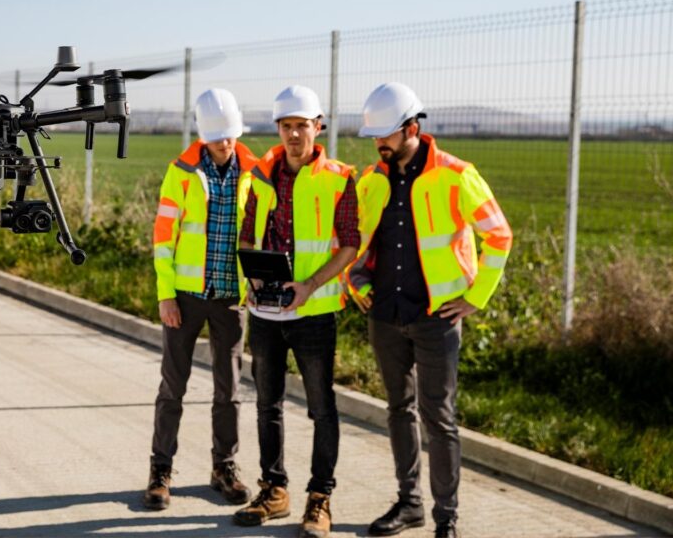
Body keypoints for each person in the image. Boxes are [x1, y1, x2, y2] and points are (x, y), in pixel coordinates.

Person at [347, 82, 512, 538]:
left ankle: (447, 519)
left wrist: (476, 297)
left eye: (385, 135)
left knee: (439, 419)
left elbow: (500, 236)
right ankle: (409, 504)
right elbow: (356, 240)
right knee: (398, 410)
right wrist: (354, 278)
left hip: (436, 318)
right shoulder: (372, 179)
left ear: (412, 128)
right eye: (374, 136)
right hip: (384, 314)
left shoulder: (456, 175)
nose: (379, 143)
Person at [232, 85, 359, 538]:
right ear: (278, 130)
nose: (293, 135)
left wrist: (309, 286)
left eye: (301, 126)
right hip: (266, 314)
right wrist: (253, 277)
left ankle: (320, 498)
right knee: (267, 405)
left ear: (317, 127)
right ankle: (274, 490)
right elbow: (247, 236)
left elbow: (350, 246)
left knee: (322, 409)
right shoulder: (261, 176)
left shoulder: (340, 178)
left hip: (314, 314)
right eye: (286, 127)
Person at [145, 88, 258, 511]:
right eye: (217, 138)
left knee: (229, 391)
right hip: (186, 299)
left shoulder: (255, 171)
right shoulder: (181, 172)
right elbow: (163, 237)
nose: (225, 144)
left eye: (230, 136)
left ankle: (224, 468)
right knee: (173, 387)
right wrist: (165, 294)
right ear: (203, 135)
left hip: (232, 298)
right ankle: (160, 472)